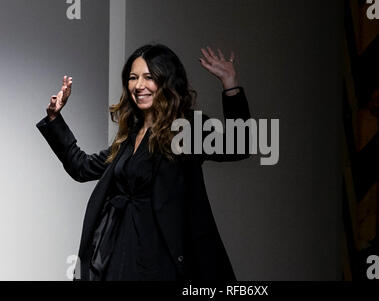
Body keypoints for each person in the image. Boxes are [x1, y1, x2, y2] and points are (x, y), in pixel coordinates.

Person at [36, 44, 251, 281]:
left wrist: (230, 83)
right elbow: (82, 167)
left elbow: (239, 146)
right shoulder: (129, 138)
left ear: (166, 81)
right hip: (118, 255)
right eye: (133, 78)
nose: (139, 86)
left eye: (149, 77)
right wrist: (55, 118)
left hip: (162, 261)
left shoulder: (186, 128)